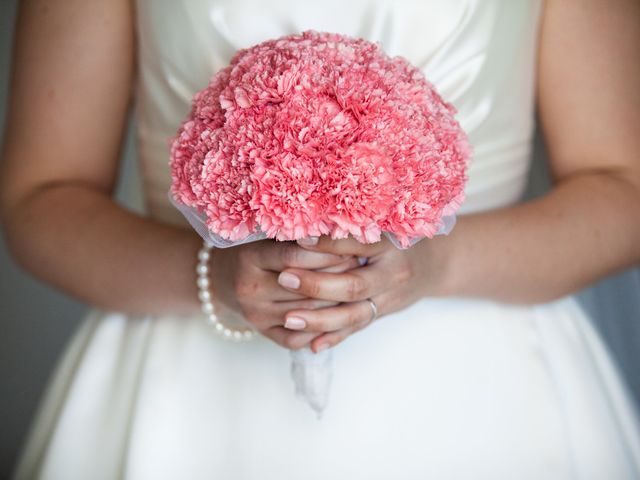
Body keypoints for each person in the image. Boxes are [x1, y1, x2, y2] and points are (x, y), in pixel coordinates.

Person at [2, 0, 640, 478]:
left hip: (488, 388)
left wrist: (437, 262)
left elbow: (623, 190)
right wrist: (215, 279)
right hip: (189, 394)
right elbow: (39, 197)